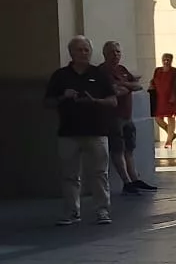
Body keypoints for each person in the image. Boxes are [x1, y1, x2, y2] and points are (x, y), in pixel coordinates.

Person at [45, 35, 118, 225]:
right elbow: (48, 102)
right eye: (79, 50)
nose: (84, 53)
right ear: (71, 53)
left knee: (100, 173)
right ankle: (71, 212)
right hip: (69, 132)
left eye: (86, 50)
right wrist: (63, 96)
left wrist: (96, 101)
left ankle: (102, 210)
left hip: (97, 131)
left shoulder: (99, 74)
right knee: (70, 175)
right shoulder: (60, 76)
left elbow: (113, 100)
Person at [100, 41, 156, 194]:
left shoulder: (122, 69)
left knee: (129, 148)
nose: (116, 55)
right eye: (112, 52)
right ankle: (126, 181)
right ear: (105, 54)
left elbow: (138, 86)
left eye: (118, 52)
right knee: (118, 149)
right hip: (113, 117)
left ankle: (134, 178)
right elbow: (114, 91)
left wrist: (124, 84)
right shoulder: (102, 71)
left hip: (127, 116)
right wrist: (127, 86)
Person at [150, 53, 176, 149]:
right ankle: (171, 133)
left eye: (168, 59)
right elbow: (153, 81)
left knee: (171, 117)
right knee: (158, 118)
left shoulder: (175, 71)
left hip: (171, 98)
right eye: (164, 59)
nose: (166, 61)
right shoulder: (157, 70)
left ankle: (169, 140)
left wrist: (174, 96)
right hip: (159, 98)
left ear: (171, 60)